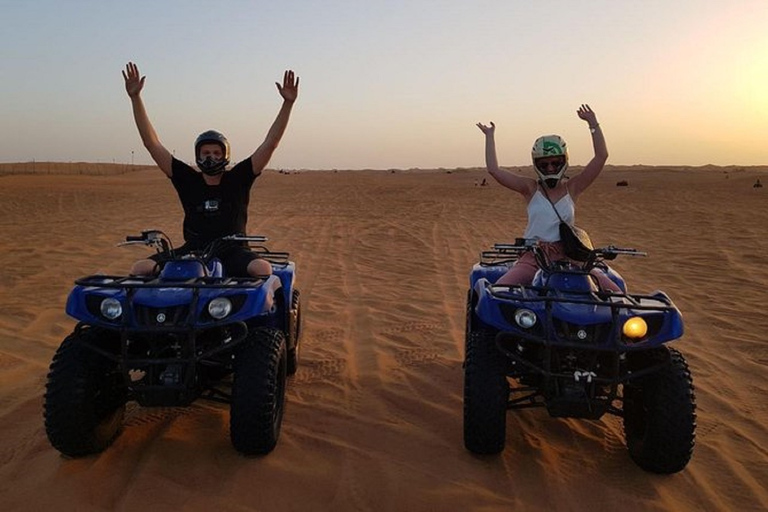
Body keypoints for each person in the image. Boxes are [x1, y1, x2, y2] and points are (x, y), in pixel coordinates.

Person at [122, 61, 299, 278]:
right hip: (194, 250)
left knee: (261, 269)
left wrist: (287, 104)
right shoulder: (187, 179)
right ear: (198, 155)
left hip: (234, 251)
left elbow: (270, 143)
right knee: (141, 268)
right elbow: (153, 144)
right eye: (206, 153)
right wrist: (135, 98)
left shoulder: (238, 178)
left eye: (216, 153)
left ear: (225, 156)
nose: (211, 157)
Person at [476, 104, 621, 291]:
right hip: (535, 256)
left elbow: (601, 156)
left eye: (555, 163)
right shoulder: (530, 188)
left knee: (616, 294)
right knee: (499, 292)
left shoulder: (573, 187)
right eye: (544, 165)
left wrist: (593, 124)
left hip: (569, 257)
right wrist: (490, 137)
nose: (550, 168)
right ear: (536, 164)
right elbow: (494, 170)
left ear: (564, 161)